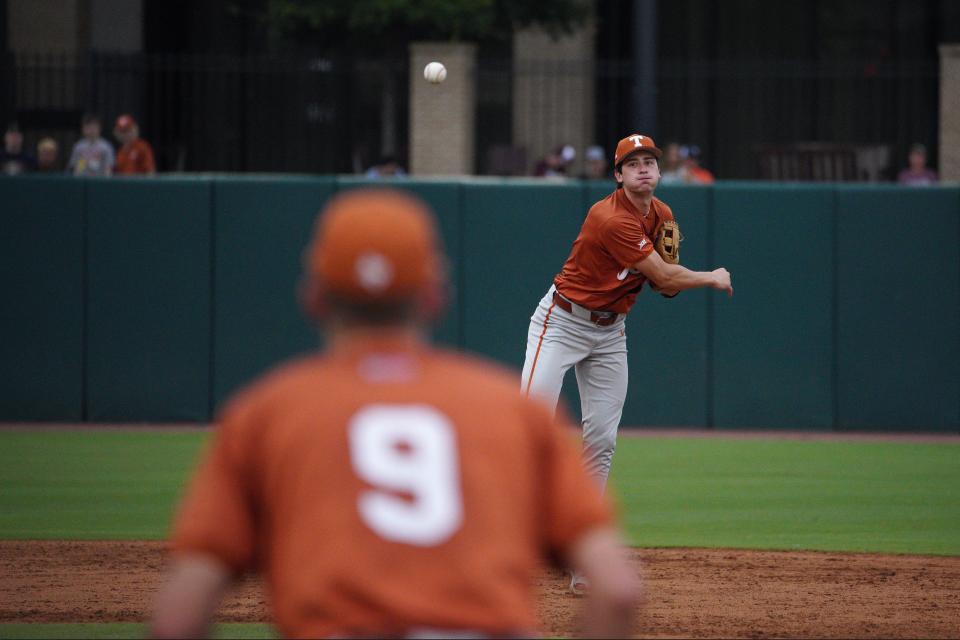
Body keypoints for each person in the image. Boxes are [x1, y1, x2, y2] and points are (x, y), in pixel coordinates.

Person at [150, 188, 641, 639]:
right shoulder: (515, 414)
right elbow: (618, 592)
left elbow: (180, 617)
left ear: (313, 298)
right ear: (434, 297)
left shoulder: (264, 414)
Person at [519, 133, 733, 594]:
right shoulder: (608, 216)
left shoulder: (663, 215)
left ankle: (582, 561)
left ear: (658, 172)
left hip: (610, 333)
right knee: (528, 429)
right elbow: (664, 275)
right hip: (561, 324)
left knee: (601, 440)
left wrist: (675, 276)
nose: (643, 168)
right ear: (617, 175)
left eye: (650, 161)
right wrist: (711, 277)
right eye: (632, 163)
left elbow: (666, 287)